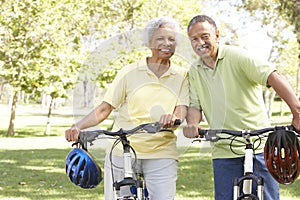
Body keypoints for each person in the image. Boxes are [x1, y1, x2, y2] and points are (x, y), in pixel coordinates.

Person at [65, 16, 189, 200]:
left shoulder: (182, 75)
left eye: (172, 39)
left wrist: (173, 118)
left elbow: (182, 108)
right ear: (149, 42)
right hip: (122, 149)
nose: (167, 43)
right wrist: (78, 126)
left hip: (162, 152)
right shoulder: (129, 72)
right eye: (160, 39)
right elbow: (105, 108)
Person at [183, 14, 300, 200]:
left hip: (260, 144)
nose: (200, 42)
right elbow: (195, 106)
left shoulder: (237, 56)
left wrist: (297, 112)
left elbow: (272, 75)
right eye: (194, 39)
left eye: (205, 36)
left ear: (217, 35)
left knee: (268, 197)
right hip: (223, 147)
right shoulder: (194, 70)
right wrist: (193, 124)